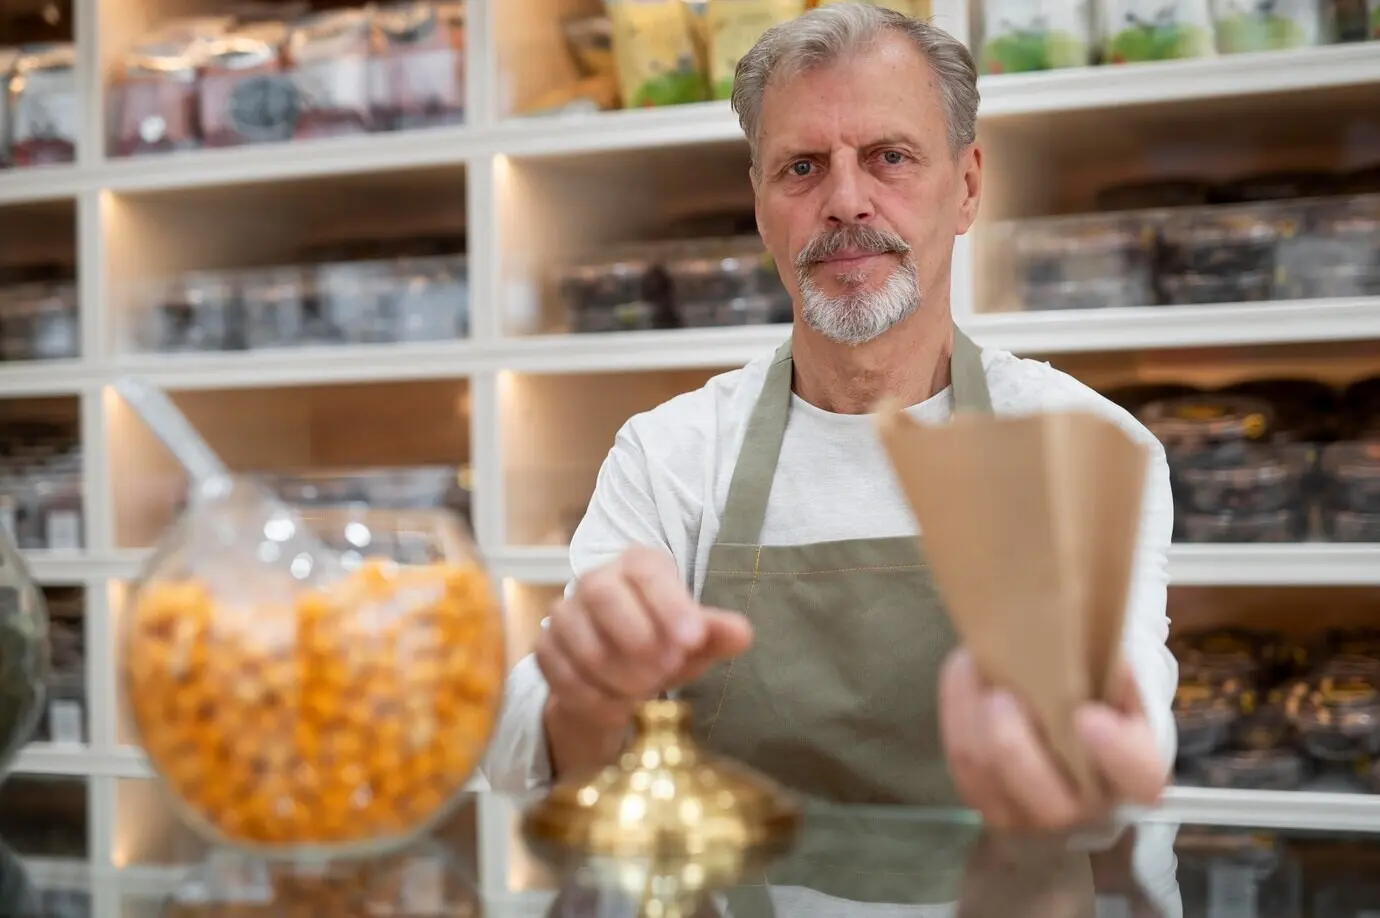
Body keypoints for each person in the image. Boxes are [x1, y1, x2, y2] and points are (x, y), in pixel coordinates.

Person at [483, 2, 1178, 830]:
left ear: (966, 187)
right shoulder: (671, 456)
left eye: (889, 157)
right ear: (761, 204)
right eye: (802, 168)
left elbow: (1131, 741)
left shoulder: (1079, 449)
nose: (847, 201)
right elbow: (520, 750)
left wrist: (1094, 756)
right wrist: (591, 694)